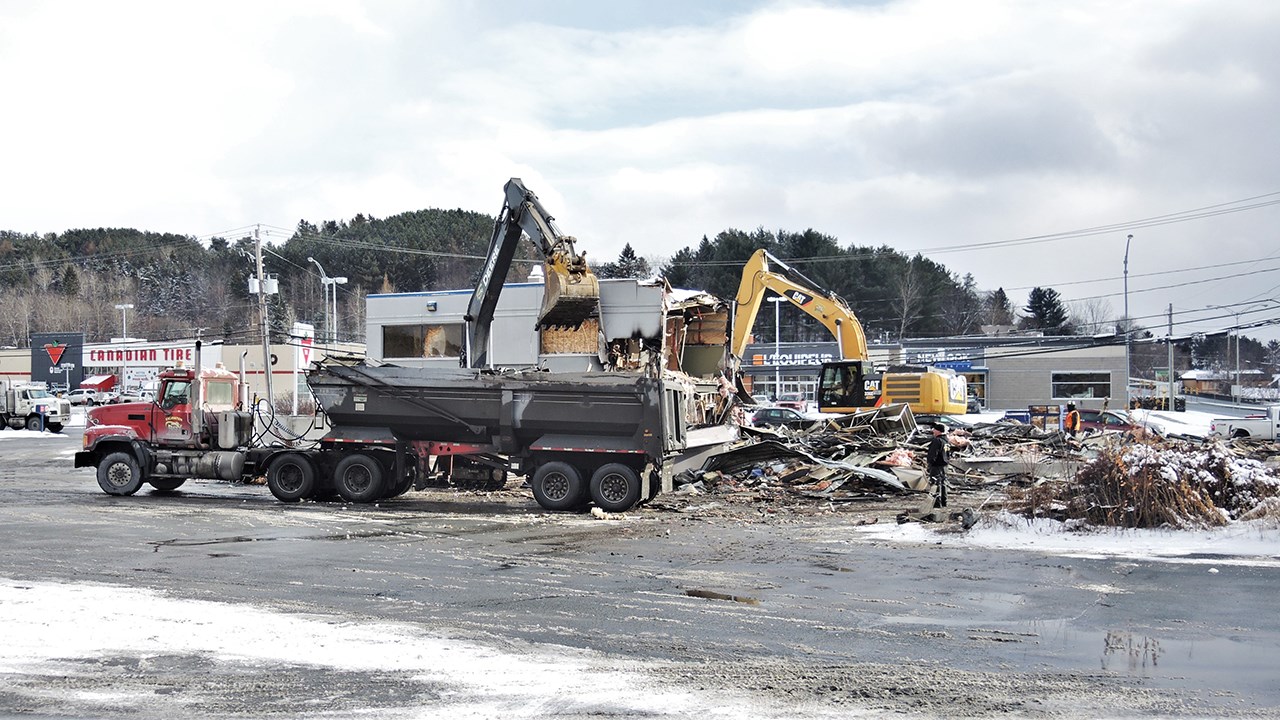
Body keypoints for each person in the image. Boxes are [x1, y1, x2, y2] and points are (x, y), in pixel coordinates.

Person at [926, 422, 948, 508]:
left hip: (936, 465)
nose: (933, 431)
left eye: (934, 430)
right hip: (944, 465)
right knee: (943, 483)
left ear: (938, 431)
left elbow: (933, 454)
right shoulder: (946, 440)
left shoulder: (937, 441)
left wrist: (930, 463)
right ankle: (944, 501)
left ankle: (937, 503)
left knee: (935, 483)